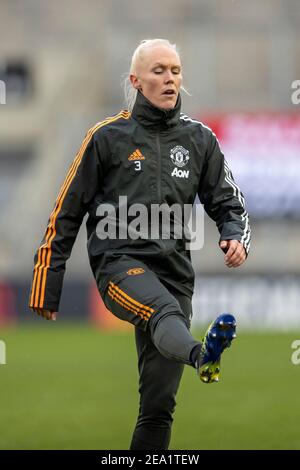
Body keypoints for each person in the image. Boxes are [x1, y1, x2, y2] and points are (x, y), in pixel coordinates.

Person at [29, 39, 251, 450]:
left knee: (157, 409)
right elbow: (66, 212)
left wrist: (234, 234)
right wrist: (48, 281)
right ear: (135, 81)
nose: (170, 79)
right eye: (159, 71)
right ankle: (203, 355)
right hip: (119, 265)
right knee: (163, 310)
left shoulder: (200, 139)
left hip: (176, 273)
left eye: (176, 70)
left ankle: (197, 357)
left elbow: (227, 201)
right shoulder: (106, 137)